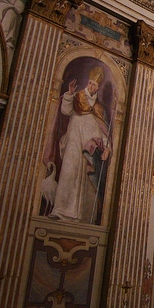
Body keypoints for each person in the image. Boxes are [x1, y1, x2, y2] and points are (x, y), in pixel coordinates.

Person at [50, 66, 112, 224]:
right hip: (74, 142)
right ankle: (60, 210)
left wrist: (107, 148)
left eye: (94, 85)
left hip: (89, 149)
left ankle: (83, 216)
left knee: (87, 181)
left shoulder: (99, 108)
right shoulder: (78, 97)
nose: (91, 86)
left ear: (98, 87)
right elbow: (65, 111)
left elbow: (104, 131)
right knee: (68, 173)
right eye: (90, 83)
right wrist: (69, 94)